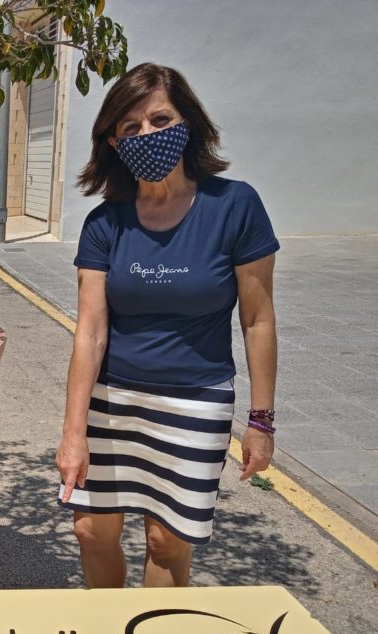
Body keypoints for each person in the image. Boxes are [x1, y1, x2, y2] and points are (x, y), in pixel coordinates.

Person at [56, 63, 278, 588]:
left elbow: (258, 319)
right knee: (90, 530)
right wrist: (72, 434)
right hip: (112, 403)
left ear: (188, 124)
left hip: (194, 401)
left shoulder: (235, 206)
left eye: (160, 119)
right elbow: (89, 332)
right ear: (113, 141)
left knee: (166, 541)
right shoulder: (106, 222)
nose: (147, 135)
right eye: (130, 128)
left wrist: (261, 421)